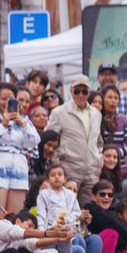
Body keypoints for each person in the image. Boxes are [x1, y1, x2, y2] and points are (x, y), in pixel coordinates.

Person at [49, 74, 104, 205]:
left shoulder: (96, 114)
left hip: (91, 173)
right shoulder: (59, 112)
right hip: (69, 170)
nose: (80, 95)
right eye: (77, 91)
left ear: (89, 92)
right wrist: (58, 164)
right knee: (65, 211)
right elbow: (49, 140)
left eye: (84, 91)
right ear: (71, 91)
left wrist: (98, 159)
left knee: (88, 213)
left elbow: (99, 141)